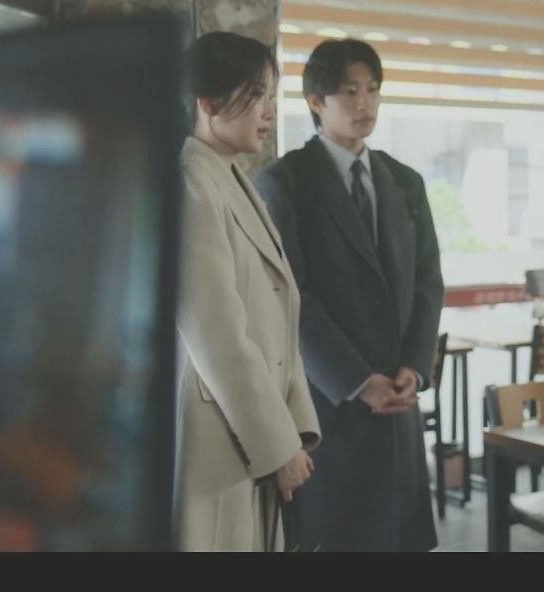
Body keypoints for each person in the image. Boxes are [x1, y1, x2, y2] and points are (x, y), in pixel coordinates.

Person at [255, 38, 443, 551]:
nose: (365, 103)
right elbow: (291, 297)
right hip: (330, 408)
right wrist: (359, 381)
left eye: (372, 90)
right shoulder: (286, 182)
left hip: (398, 405)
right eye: (350, 92)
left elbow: (428, 284)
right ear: (316, 102)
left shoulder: (405, 182)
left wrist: (414, 367)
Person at [174, 31, 320, 552]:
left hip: (249, 433)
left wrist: (293, 432)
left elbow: (280, 318)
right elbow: (217, 337)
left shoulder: (230, 176)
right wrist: (278, 445)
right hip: (221, 432)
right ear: (208, 101)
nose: (269, 112)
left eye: (271, 97)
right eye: (256, 95)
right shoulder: (192, 182)